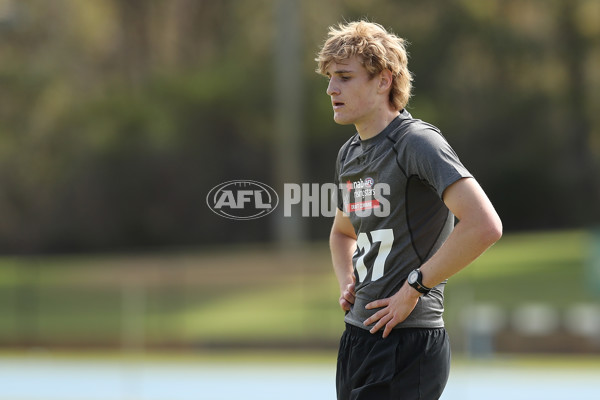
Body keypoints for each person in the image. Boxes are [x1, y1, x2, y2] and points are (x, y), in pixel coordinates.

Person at [315, 20, 503, 400]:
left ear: (384, 80)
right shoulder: (349, 153)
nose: (332, 88)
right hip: (357, 337)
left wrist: (414, 288)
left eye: (345, 77)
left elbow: (484, 225)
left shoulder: (417, 143)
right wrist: (346, 280)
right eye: (330, 78)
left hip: (408, 342)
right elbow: (342, 232)